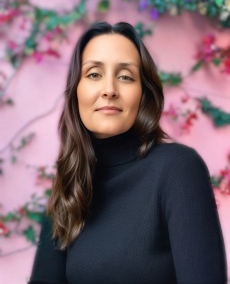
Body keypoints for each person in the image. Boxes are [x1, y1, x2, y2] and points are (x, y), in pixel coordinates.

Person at [29, 22, 227, 284]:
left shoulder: (178, 169)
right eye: (94, 74)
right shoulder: (69, 183)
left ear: (143, 94)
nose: (109, 89)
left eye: (125, 76)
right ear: (76, 91)